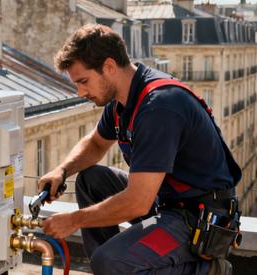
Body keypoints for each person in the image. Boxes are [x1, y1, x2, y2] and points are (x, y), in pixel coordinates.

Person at [38, 24, 241, 274]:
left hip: (198, 218)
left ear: (109, 66)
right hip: (166, 202)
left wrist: (73, 220)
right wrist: (62, 170)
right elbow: (96, 143)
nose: (80, 92)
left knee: (110, 261)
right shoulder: (122, 102)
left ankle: (206, 270)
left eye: (83, 81)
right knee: (91, 180)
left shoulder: (159, 107)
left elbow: (137, 203)